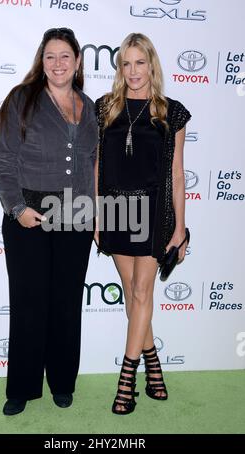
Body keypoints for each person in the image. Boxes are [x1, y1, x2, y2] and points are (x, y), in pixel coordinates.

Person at [0, 28, 98, 415]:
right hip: (30, 214)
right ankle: (21, 388)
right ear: (42, 60)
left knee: (67, 303)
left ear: (78, 61)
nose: (58, 63)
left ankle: (63, 382)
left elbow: (91, 165)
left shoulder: (89, 107)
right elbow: (3, 158)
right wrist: (17, 208)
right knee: (29, 302)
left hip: (77, 217)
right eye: (51, 56)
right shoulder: (23, 99)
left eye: (65, 56)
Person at [95, 33, 191, 415]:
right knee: (133, 294)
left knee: (141, 294)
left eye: (140, 62)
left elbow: (178, 174)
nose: (133, 71)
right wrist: (99, 215)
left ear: (151, 64)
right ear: (120, 68)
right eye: (126, 63)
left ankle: (126, 382)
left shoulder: (172, 112)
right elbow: (98, 165)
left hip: (154, 214)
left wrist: (179, 229)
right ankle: (154, 366)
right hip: (117, 210)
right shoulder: (106, 109)